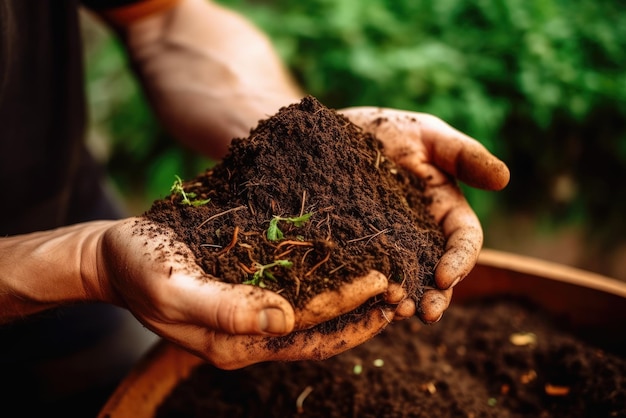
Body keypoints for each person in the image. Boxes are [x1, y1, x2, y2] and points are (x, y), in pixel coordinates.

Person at [0, 0, 510, 415]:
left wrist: (292, 136)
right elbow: (89, 262)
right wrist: (86, 264)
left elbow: (160, 19)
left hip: (71, 238)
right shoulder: (95, 259)